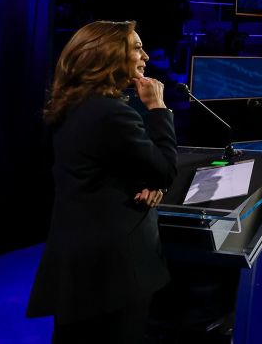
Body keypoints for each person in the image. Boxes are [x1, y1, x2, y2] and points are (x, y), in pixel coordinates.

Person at [27, 21, 178, 343]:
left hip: (79, 260)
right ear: (109, 55)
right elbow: (164, 169)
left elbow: (107, 168)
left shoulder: (72, 105)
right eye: (137, 47)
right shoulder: (112, 114)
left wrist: (151, 181)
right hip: (114, 270)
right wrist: (158, 108)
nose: (146, 56)